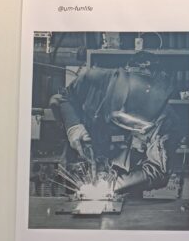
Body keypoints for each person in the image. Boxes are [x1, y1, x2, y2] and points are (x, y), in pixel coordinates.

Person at [49, 53, 182, 195]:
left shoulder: (166, 119)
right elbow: (62, 98)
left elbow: (158, 171)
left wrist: (113, 186)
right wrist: (73, 126)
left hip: (125, 183)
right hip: (79, 170)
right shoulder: (93, 80)